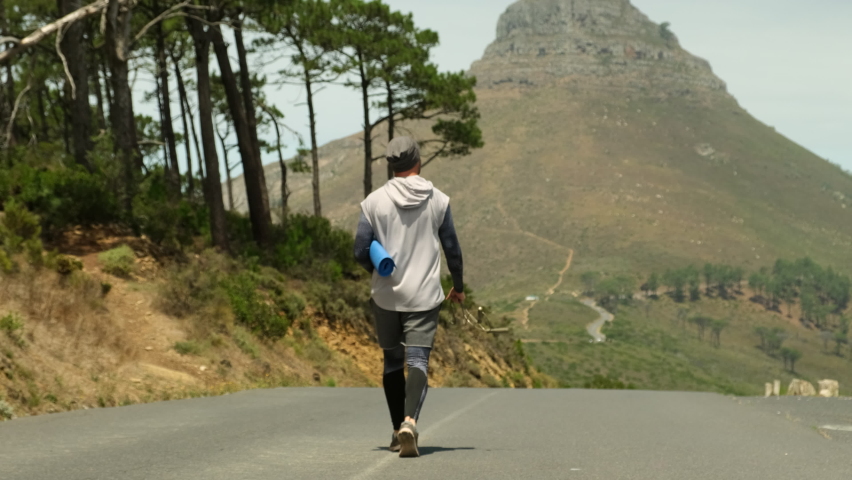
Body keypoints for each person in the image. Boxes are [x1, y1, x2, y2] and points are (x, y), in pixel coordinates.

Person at [354, 136, 465, 458]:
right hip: (425, 296)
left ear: (391, 164)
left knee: (392, 360)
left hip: (386, 295)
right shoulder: (439, 200)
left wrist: (377, 271)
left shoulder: (373, 202)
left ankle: (394, 431)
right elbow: (452, 250)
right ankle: (409, 422)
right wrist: (457, 286)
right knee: (418, 360)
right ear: (418, 161)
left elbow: (360, 250)